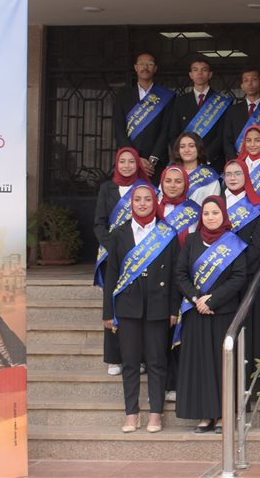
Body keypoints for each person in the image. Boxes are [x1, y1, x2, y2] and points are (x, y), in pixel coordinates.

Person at [102, 183, 178, 434]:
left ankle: (155, 413)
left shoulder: (167, 233)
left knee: (157, 361)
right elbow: (112, 275)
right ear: (131, 204)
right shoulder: (119, 234)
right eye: (137, 199)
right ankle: (131, 414)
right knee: (130, 362)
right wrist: (108, 312)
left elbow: (176, 274)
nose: (143, 203)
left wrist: (174, 309)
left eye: (147, 199)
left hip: (159, 305)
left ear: (154, 202)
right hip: (127, 307)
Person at [172, 195, 249, 434]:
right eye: (206, 213)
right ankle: (205, 414)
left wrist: (213, 300)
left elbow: (239, 277)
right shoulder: (192, 240)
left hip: (222, 312)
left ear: (223, 215)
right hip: (196, 312)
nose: (210, 217)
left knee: (221, 364)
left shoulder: (233, 242)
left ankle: (224, 414)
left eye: (215, 212)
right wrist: (197, 298)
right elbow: (180, 274)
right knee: (200, 365)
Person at [220, 159, 260, 366]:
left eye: (237, 173)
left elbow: (259, 244)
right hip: (221, 276)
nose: (233, 178)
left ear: (246, 176)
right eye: (228, 174)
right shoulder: (216, 203)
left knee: (250, 324)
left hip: (249, 273)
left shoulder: (258, 206)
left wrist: (239, 268)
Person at [93, 147, 144, 376]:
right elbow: (99, 223)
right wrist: (114, 247)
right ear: (116, 164)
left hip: (139, 254)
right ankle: (114, 358)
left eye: (131, 161)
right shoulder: (107, 188)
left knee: (137, 306)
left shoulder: (145, 188)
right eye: (122, 161)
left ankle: (139, 357)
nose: (126, 165)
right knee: (113, 303)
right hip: (112, 254)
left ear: (138, 164)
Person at [166, 56, 232, 170]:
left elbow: (222, 135)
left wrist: (205, 157)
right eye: (195, 70)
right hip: (185, 162)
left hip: (213, 162)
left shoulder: (221, 101)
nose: (199, 73)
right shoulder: (180, 102)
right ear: (191, 75)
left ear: (210, 74)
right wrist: (182, 156)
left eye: (204, 70)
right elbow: (173, 134)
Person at [114, 52, 174, 177]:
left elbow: (166, 129)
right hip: (129, 162)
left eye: (150, 64)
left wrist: (153, 159)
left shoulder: (166, 96)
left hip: (156, 164)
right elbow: (119, 129)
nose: (145, 67)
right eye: (141, 63)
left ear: (155, 68)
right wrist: (134, 158)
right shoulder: (123, 96)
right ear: (136, 67)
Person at [223, 66, 260, 166]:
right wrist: (235, 162)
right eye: (246, 80)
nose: (250, 83)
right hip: (239, 163)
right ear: (242, 86)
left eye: (254, 79)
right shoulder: (232, 110)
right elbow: (227, 140)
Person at [171, 132, 221, 205]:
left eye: (191, 146)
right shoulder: (170, 172)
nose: (186, 150)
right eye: (182, 147)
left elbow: (214, 205)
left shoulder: (209, 176)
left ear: (198, 148)